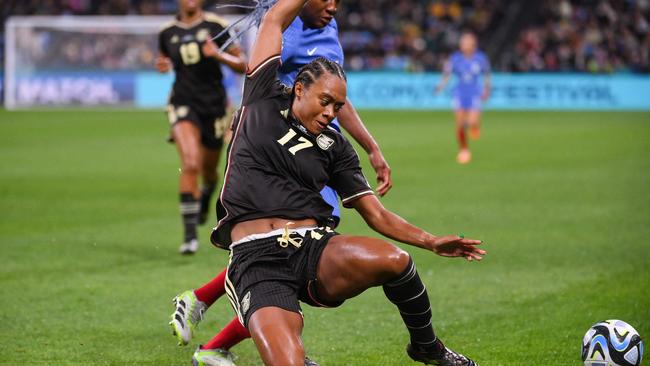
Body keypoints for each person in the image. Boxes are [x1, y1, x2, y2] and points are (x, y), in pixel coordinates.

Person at [178, 0, 486, 365]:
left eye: (338, 108)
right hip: (257, 260)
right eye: (325, 102)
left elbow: (377, 215)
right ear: (298, 89)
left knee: (396, 261)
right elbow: (276, 17)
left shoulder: (335, 146)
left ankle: (426, 347)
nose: (330, 114)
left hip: (312, 249)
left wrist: (431, 241)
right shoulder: (260, 97)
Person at [168, 1, 394, 364]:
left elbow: (338, 97)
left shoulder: (326, 29)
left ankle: (206, 318)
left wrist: (370, 145)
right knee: (290, 252)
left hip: (321, 154)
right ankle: (213, 333)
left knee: (288, 249)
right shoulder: (286, 28)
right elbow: (256, 74)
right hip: (288, 155)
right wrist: (244, 119)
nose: (333, 7)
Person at [156, 0, 247, 254]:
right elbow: (165, 60)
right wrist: (163, 66)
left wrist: (219, 55)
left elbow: (243, 64)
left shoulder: (216, 26)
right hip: (182, 102)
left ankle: (207, 192)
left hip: (214, 106)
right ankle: (189, 237)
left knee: (208, 171)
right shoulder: (167, 32)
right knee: (191, 163)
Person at [435, 32, 491, 164]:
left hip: (475, 93)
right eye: (462, 43)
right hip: (459, 93)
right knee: (460, 124)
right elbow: (447, 74)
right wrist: (441, 86)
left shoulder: (480, 58)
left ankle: (474, 126)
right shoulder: (455, 58)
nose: (464, 45)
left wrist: (487, 90)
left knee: (471, 122)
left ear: (473, 44)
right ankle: (464, 150)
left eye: (467, 42)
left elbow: (487, 74)